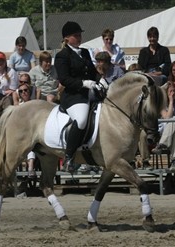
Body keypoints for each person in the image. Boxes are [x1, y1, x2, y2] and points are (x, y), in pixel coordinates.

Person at [54, 21, 99, 173]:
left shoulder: (85, 52)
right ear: (67, 38)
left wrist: (101, 81)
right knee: (81, 120)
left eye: (80, 35)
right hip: (73, 96)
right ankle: (68, 157)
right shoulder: (62, 56)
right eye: (76, 35)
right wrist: (83, 83)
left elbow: (93, 72)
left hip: (89, 92)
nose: (79, 37)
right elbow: (64, 79)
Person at [151, 81, 175, 172]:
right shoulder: (161, 103)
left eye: (174, 91)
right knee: (173, 124)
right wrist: (171, 101)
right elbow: (167, 117)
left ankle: (162, 144)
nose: (173, 93)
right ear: (166, 93)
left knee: (174, 120)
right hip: (166, 128)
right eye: (170, 91)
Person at [16, 83, 37, 177]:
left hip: (33, 132)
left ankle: (30, 167)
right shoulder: (18, 107)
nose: (23, 92)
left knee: (30, 144)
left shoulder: (35, 104)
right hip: (20, 133)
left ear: (30, 92)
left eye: (25, 90)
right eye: (21, 91)